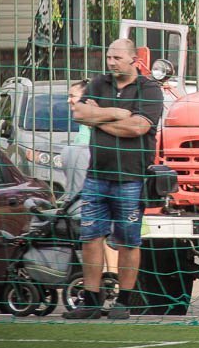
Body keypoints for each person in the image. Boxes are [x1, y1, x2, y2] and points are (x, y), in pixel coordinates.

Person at [64, 39, 164, 320]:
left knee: (128, 242)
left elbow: (137, 127)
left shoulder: (149, 89)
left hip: (131, 178)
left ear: (134, 60)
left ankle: (123, 301)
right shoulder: (98, 83)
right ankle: (91, 301)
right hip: (96, 176)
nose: (111, 62)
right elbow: (79, 113)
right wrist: (117, 113)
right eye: (109, 57)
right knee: (90, 238)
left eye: (117, 58)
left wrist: (97, 117)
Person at [60, 79, 119, 281]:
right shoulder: (83, 132)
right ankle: (108, 278)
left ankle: (110, 278)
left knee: (102, 232)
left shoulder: (90, 135)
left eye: (72, 96)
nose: (69, 100)